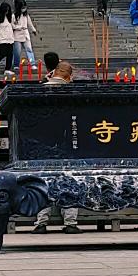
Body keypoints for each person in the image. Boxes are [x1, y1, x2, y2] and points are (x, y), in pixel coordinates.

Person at [33, 52, 79, 233]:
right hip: (67, 142)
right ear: (68, 75)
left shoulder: (41, 88)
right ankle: (70, 222)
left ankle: (41, 222)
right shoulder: (72, 91)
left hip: (43, 143)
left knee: (43, 183)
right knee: (68, 182)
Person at [0, 2, 16, 77]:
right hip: (2, 39)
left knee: (10, 54)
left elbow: (12, 26)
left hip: (10, 39)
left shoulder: (9, 17)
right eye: (6, 10)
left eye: (8, 10)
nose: (7, 12)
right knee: (2, 53)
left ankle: (7, 69)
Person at [12, 2, 38, 66]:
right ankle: (16, 64)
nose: (24, 9)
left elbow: (30, 24)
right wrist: (18, 27)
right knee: (17, 52)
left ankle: (32, 63)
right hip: (17, 34)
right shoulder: (13, 16)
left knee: (29, 49)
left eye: (25, 7)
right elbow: (12, 25)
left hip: (25, 34)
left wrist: (33, 30)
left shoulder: (26, 15)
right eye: (23, 7)